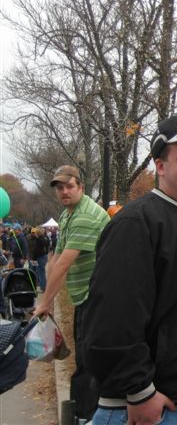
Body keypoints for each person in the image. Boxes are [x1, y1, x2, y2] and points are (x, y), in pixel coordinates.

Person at [83, 113, 177, 425]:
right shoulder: (137, 223)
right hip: (152, 412)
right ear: (161, 166)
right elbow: (110, 320)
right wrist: (140, 391)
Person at [33, 165, 110, 420]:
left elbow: (64, 264)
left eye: (69, 186)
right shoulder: (68, 215)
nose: (64, 191)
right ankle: (86, 413)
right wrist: (47, 298)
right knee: (84, 359)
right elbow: (55, 259)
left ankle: (87, 416)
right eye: (60, 188)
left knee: (89, 364)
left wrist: (45, 302)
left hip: (100, 297)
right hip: (84, 297)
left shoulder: (85, 215)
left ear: (81, 187)